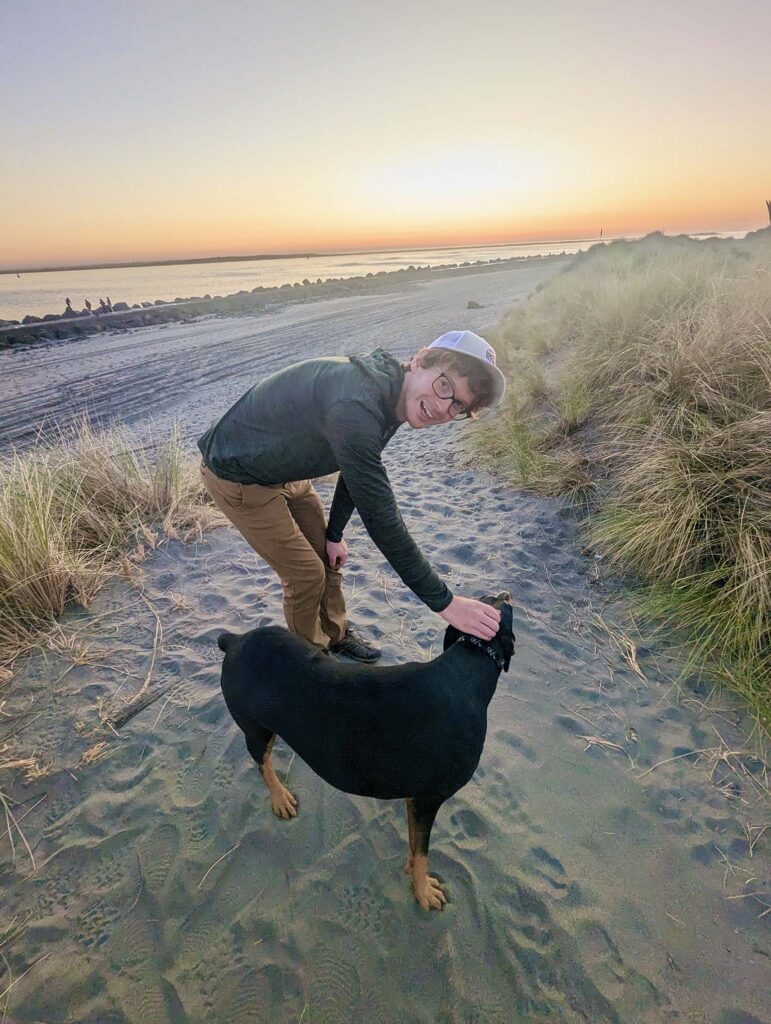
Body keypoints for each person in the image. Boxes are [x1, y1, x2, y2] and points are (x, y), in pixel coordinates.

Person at [198, 330, 506, 663]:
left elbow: (355, 472)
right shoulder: (357, 402)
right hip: (237, 475)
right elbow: (381, 517)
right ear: (420, 360)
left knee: (329, 560)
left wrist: (334, 535)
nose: (443, 407)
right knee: (305, 574)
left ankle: (336, 634)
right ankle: (311, 661)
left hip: (284, 471)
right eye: (444, 385)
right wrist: (446, 604)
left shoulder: (394, 394)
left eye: (458, 404)